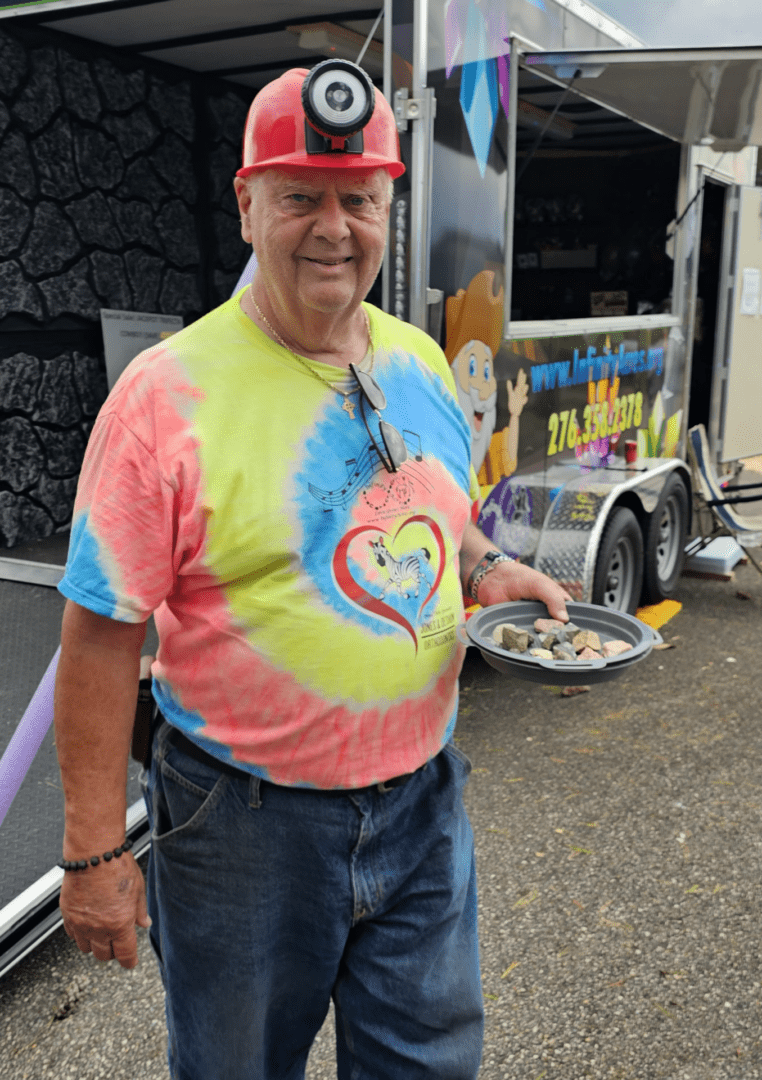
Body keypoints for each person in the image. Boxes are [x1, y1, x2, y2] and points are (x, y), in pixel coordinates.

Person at [54, 61, 570, 1080]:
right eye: (300, 197)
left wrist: (490, 566)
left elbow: (438, 515)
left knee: (427, 1066)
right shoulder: (165, 401)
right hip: (243, 825)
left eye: (357, 199)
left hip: (423, 805)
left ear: (389, 207)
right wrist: (93, 852)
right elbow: (100, 634)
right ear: (246, 205)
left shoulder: (421, 360)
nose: (334, 228)